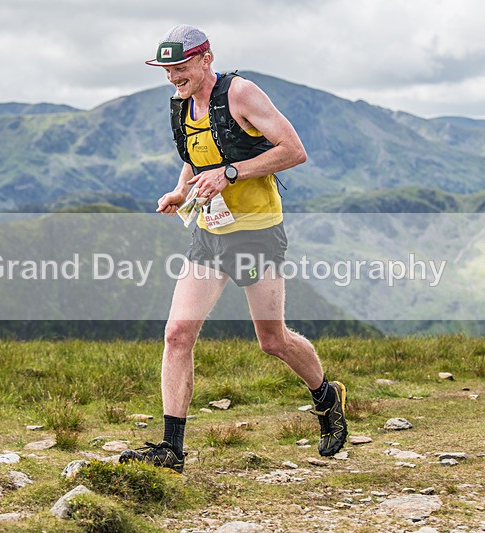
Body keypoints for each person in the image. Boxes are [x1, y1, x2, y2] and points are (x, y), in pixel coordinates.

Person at [120, 24, 347, 474]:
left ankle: (326, 397)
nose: (172, 77)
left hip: (256, 232)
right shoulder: (182, 105)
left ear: (206, 59)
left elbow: (293, 150)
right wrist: (182, 190)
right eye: (167, 70)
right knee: (177, 335)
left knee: (272, 340)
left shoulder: (241, 93)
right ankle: (171, 449)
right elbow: (195, 156)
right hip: (209, 231)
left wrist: (231, 174)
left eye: (180, 67)